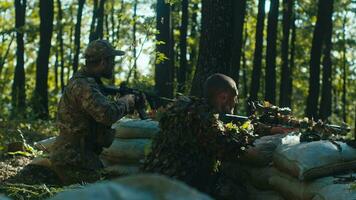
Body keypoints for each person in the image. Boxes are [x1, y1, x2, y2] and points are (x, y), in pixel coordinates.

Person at [143, 73, 293, 199]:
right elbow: (231, 145)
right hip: (173, 187)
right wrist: (265, 135)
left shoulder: (184, 108)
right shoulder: (203, 119)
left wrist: (267, 130)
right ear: (223, 97)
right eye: (235, 99)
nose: (235, 104)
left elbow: (229, 127)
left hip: (151, 178)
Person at [50, 40, 136, 185]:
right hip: (73, 158)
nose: (113, 65)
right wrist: (126, 102)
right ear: (103, 61)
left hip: (80, 156)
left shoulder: (88, 82)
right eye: (112, 61)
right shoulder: (83, 85)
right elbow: (106, 115)